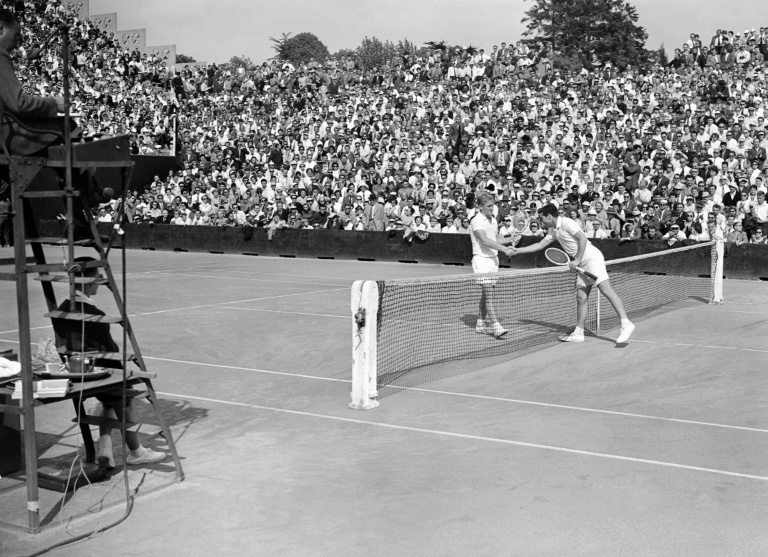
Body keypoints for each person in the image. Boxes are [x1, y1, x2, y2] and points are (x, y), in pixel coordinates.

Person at [50, 257, 166, 468]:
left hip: (73, 368)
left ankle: (105, 450)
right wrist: (124, 376)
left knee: (108, 402)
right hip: (94, 371)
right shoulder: (94, 315)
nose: (98, 283)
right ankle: (136, 452)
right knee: (124, 398)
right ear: (89, 281)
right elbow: (108, 352)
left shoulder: (62, 308)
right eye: (97, 278)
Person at [510, 204, 635, 344]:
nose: (541, 221)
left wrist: (577, 260)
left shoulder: (566, 222)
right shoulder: (553, 230)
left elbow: (583, 239)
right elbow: (539, 245)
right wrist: (517, 250)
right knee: (581, 297)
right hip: (582, 262)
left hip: (591, 258)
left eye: (542, 218)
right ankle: (579, 332)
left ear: (549, 216)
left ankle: (626, 323)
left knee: (606, 290)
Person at [469, 192, 516, 338]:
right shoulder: (476, 220)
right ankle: (496, 326)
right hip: (481, 260)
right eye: (489, 206)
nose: (492, 208)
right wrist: (504, 250)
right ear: (480, 206)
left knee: (486, 294)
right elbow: (484, 240)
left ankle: (480, 323)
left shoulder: (493, 220)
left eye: (493, 205)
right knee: (489, 294)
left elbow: (494, 239)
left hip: (493, 261)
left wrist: (510, 239)